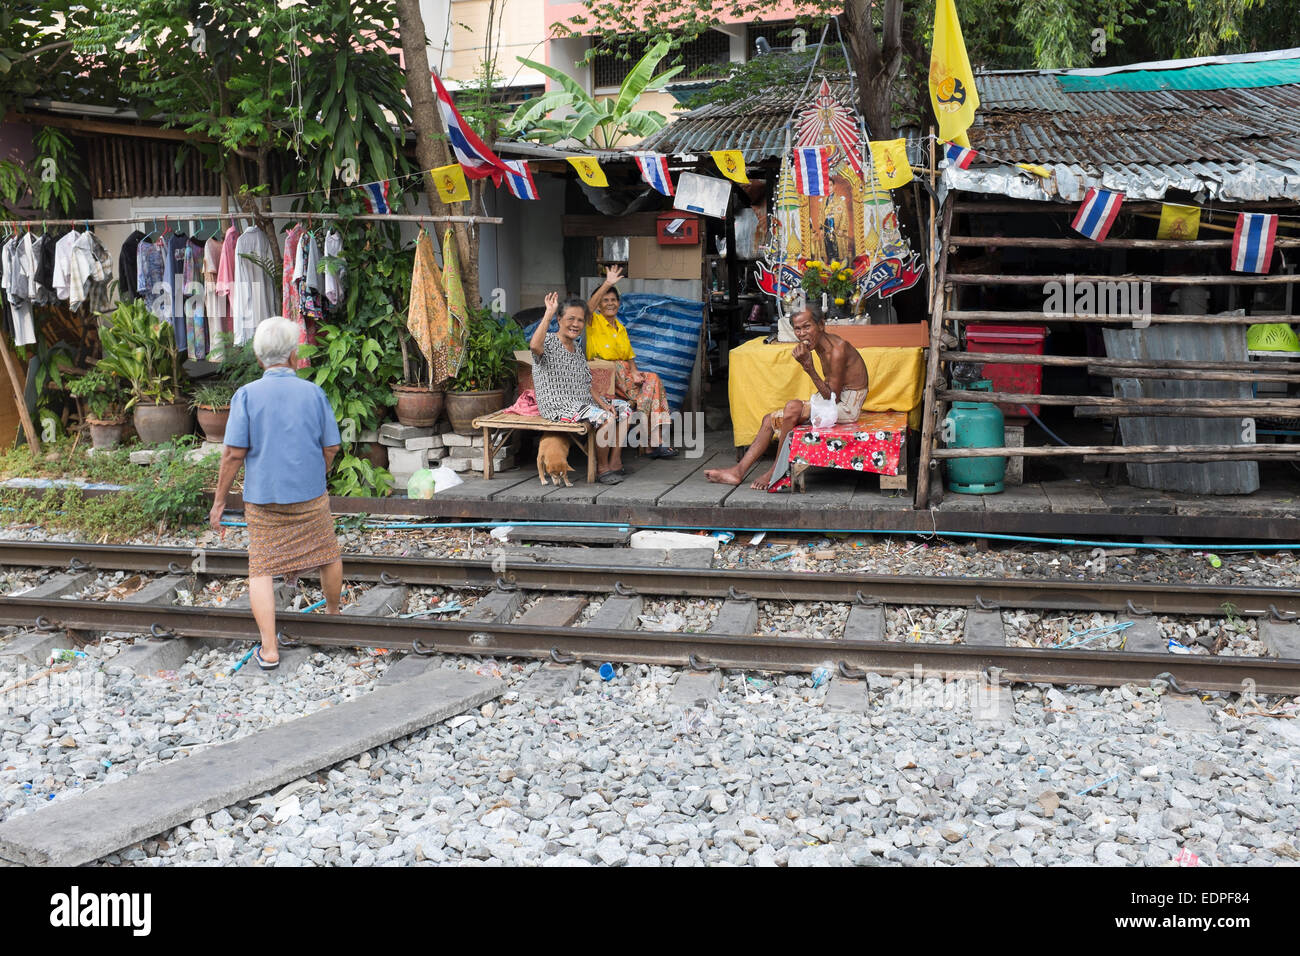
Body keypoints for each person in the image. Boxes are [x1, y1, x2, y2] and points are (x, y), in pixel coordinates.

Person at [209, 316, 343, 669]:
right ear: (295, 355)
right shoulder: (314, 393)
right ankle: (332, 615)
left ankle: (269, 649)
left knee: (261, 568)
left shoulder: (247, 395)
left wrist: (220, 500)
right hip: (309, 495)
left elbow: (233, 454)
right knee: (327, 553)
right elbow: (331, 446)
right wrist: (318, 474)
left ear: (258, 359)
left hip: (263, 499)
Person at [706, 306, 869, 490]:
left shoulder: (837, 350)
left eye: (807, 327)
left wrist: (809, 368)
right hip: (834, 398)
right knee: (769, 420)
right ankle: (737, 471)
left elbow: (832, 397)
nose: (802, 333)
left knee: (792, 407)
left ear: (821, 325)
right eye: (797, 329)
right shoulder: (820, 345)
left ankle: (776, 470)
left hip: (848, 405)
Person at [530, 291, 631, 484]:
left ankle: (614, 461)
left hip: (582, 402)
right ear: (559, 319)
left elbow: (586, 383)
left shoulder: (576, 348)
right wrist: (548, 313)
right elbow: (534, 346)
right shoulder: (549, 342)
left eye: (580, 320)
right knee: (606, 419)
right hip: (559, 406)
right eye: (570, 319)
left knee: (624, 409)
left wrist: (602, 403)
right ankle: (602, 469)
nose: (576, 324)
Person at [586, 264, 676, 457]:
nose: (610, 303)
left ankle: (654, 439)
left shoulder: (621, 328)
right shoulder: (594, 322)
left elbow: (629, 357)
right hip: (604, 375)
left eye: (614, 300)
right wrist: (607, 283)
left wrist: (635, 372)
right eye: (605, 300)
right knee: (652, 385)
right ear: (599, 305)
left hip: (623, 375)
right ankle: (653, 440)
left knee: (653, 380)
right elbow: (587, 309)